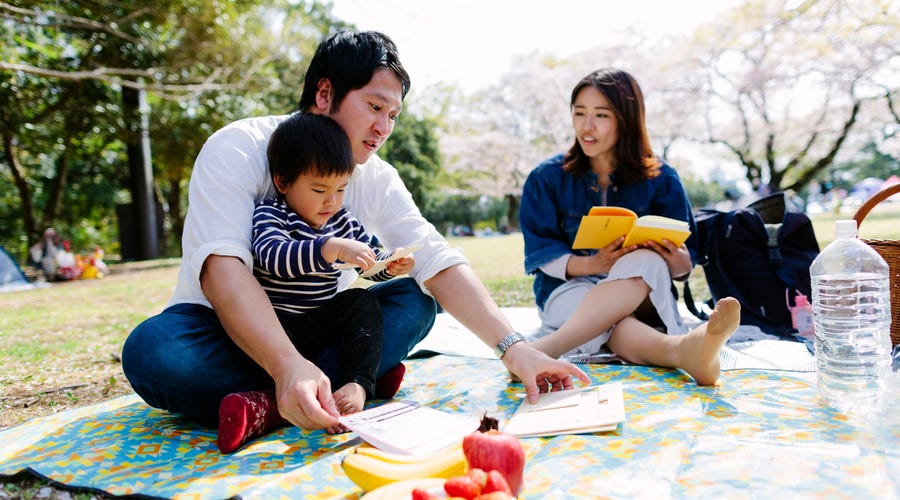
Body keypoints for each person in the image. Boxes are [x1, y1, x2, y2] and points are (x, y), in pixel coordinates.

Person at [122, 30, 590, 441]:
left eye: (394, 115)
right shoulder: (239, 148)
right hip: (224, 335)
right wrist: (285, 365)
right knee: (154, 351)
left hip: (322, 326)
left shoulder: (377, 178)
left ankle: (289, 398)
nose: (384, 127)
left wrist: (516, 350)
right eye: (374, 106)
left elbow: (436, 258)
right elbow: (222, 271)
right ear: (325, 94)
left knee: (414, 302)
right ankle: (336, 385)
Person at [519, 68, 740, 386]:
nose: (587, 125)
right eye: (579, 113)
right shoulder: (546, 178)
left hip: (642, 292)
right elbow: (542, 253)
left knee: (647, 261)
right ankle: (681, 352)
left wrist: (676, 260)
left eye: (601, 115)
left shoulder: (662, 179)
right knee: (613, 320)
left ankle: (543, 350)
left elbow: (684, 264)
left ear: (627, 119)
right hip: (569, 291)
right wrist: (594, 264)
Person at [216, 112, 414, 453]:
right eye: (319, 189)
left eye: (340, 189)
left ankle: (357, 384)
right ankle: (277, 402)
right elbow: (272, 257)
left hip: (322, 321)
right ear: (282, 181)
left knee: (362, 302)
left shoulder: (342, 221)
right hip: (278, 330)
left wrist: (388, 266)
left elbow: (367, 264)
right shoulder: (270, 213)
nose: (331, 202)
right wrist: (328, 249)